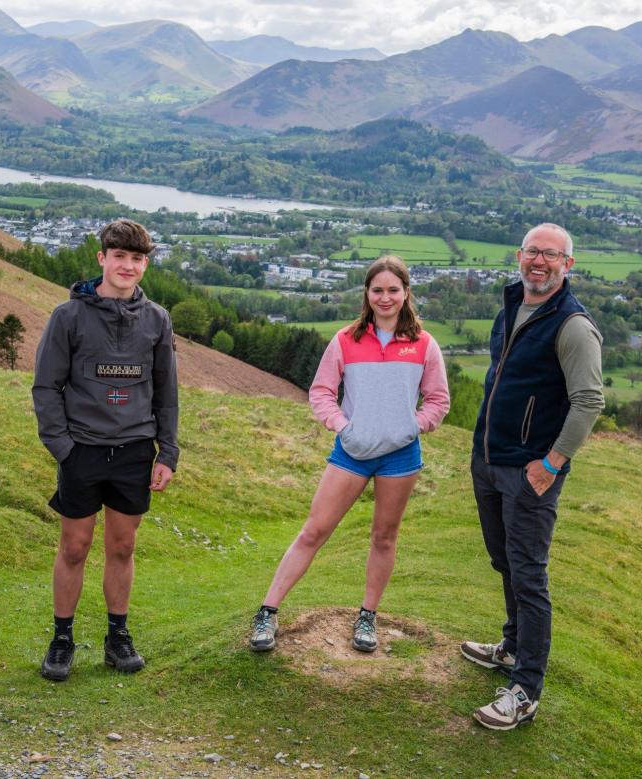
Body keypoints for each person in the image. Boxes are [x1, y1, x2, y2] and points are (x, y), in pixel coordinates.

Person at [249, 255, 450, 654]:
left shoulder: (424, 343)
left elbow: (438, 400)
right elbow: (321, 391)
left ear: (406, 292)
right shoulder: (346, 339)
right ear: (367, 294)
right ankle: (267, 613)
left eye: (394, 290)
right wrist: (343, 426)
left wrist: (412, 426)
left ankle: (367, 618)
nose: (385, 297)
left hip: (400, 456)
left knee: (384, 538)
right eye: (378, 290)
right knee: (314, 531)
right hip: (352, 452)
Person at [461, 223, 604, 730]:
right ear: (519, 256)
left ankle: (525, 689)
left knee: (529, 574)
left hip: (531, 471)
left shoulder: (572, 325)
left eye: (551, 255)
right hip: (490, 461)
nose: (538, 261)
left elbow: (589, 401)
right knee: (504, 560)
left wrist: (551, 464)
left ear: (568, 265)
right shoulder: (511, 307)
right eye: (532, 252)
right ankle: (512, 647)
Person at [32, 219, 178, 682]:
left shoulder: (157, 319)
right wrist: (64, 449)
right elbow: (46, 386)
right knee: (74, 547)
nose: (128, 266)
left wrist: (167, 452)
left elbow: (166, 392)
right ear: (102, 258)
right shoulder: (68, 317)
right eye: (120, 256)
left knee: (123, 546)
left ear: (145, 264)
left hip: (135, 451)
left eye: (137, 259)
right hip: (83, 452)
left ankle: (117, 638)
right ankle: (62, 639)